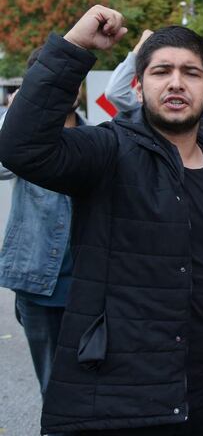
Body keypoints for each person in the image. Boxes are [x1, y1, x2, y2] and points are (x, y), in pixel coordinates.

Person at [0, 5, 203, 435]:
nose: (176, 82)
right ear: (139, 87)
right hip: (121, 404)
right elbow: (21, 147)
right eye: (161, 72)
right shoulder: (107, 151)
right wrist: (75, 46)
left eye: (191, 73)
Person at [0, 48, 84, 436]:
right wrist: (20, 113)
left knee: (93, 388)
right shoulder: (21, 142)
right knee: (53, 391)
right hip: (38, 286)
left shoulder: (96, 136)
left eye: (71, 80)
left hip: (90, 287)